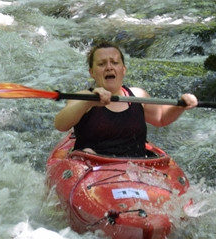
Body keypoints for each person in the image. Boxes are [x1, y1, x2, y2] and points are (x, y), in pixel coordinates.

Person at [53, 41, 198, 157]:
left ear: (123, 69)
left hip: (135, 168)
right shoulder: (83, 96)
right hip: (93, 169)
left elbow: (161, 118)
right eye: (101, 64)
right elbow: (60, 124)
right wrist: (88, 102)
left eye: (115, 62)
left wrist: (180, 106)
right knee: (89, 152)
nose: (109, 67)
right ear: (91, 72)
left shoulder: (138, 96)